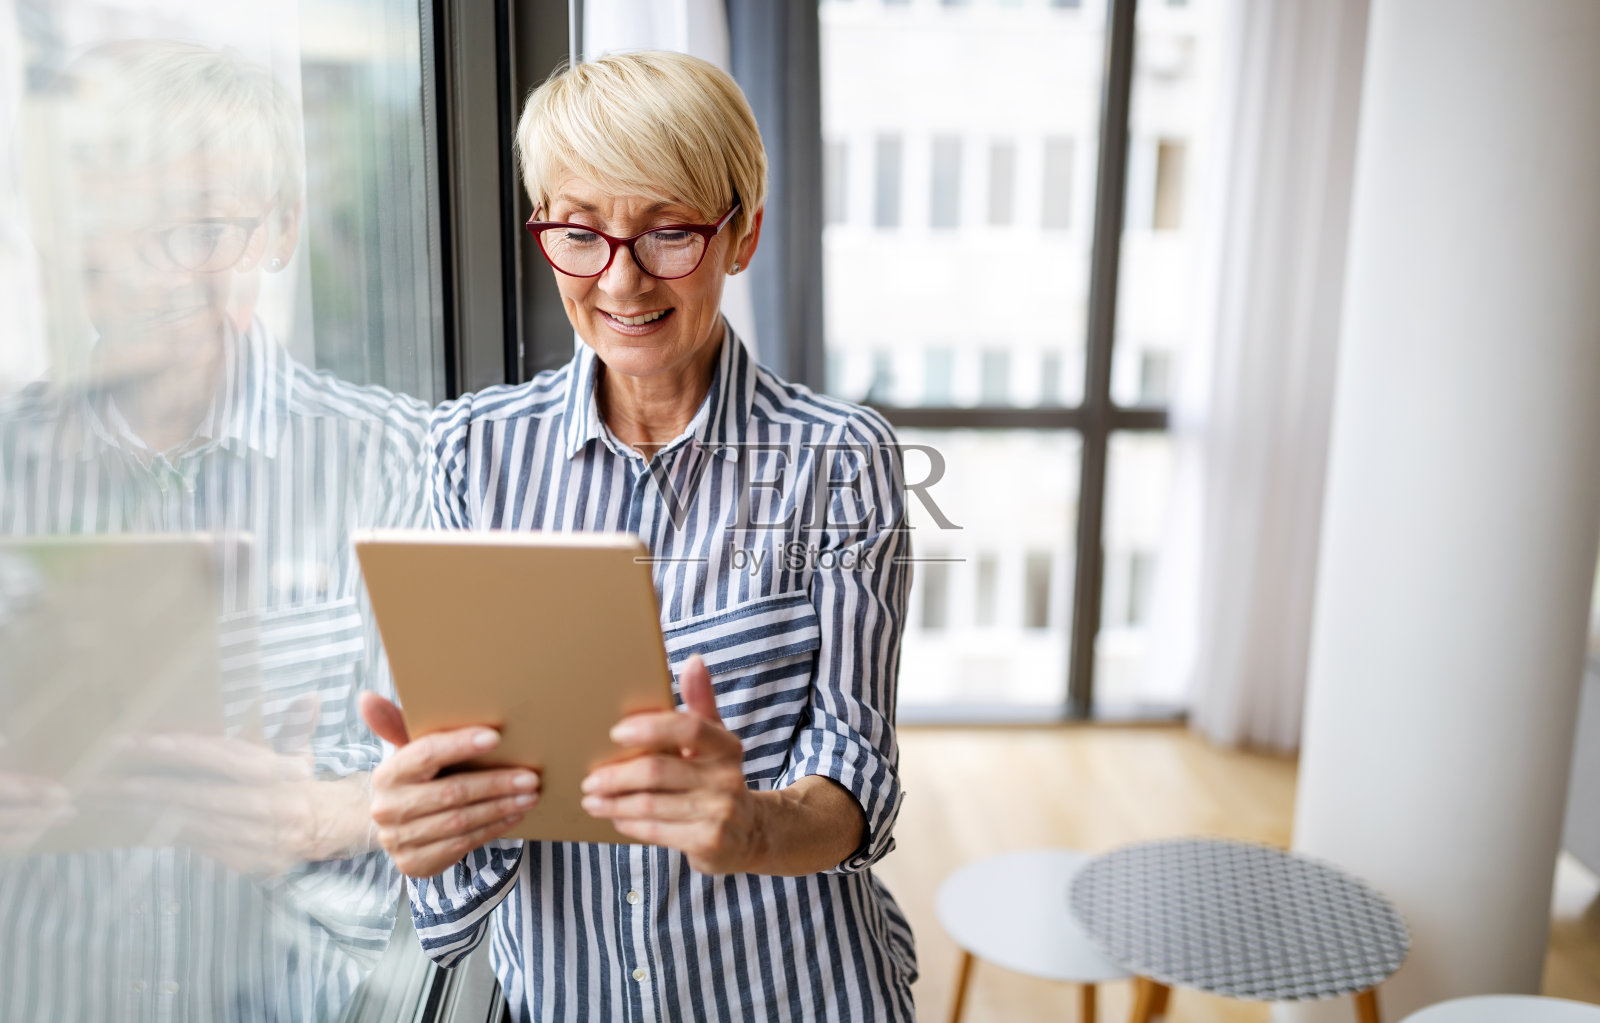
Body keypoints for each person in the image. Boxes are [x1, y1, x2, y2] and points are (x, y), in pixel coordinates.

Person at [358, 51, 918, 1021]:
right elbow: (450, 789)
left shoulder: (841, 457)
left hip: (798, 990)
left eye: (668, 233)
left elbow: (857, 772)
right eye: (579, 232)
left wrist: (748, 825)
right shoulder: (464, 454)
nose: (619, 281)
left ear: (741, 233)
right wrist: (427, 827)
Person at [0, 40, 426, 1021]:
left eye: (195, 231)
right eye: (117, 229)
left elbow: (484, 769)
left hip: (304, 1000)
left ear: (279, 231)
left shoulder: (401, 459)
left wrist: (322, 813)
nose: (152, 275)